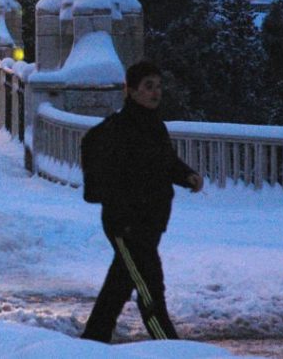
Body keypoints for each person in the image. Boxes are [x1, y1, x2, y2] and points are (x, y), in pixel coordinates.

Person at [81, 61, 204, 343]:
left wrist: (187, 176)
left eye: (159, 86)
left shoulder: (153, 125)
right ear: (131, 90)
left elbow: (165, 163)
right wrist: (124, 218)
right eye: (148, 86)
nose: (155, 92)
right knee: (150, 289)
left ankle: (91, 343)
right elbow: (111, 181)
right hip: (128, 226)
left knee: (120, 285)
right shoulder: (119, 130)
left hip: (149, 225)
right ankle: (170, 349)